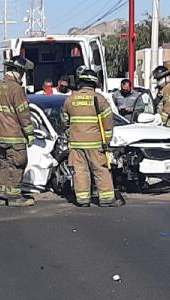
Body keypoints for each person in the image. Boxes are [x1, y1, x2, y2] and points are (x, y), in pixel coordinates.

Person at [62, 68, 119, 207]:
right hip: (95, 143)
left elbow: (65, 120)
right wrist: (107, 140)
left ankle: (82, 200)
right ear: (95, 83)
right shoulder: (99, 99)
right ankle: (106, 199)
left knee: (80, 171)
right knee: (100, 169)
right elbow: (108, 121)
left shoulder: (70, 99)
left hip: (75, 143)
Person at [0, 55, 36, 207]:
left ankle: (3, 194)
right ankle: (14, 196)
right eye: (22, 73)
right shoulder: (16, 89)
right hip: (15, 135)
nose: (22, 76)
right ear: (18, 71)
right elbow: (23, 114)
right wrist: (29, 133)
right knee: (18, 164)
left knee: (5, 164)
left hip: (1, 135)